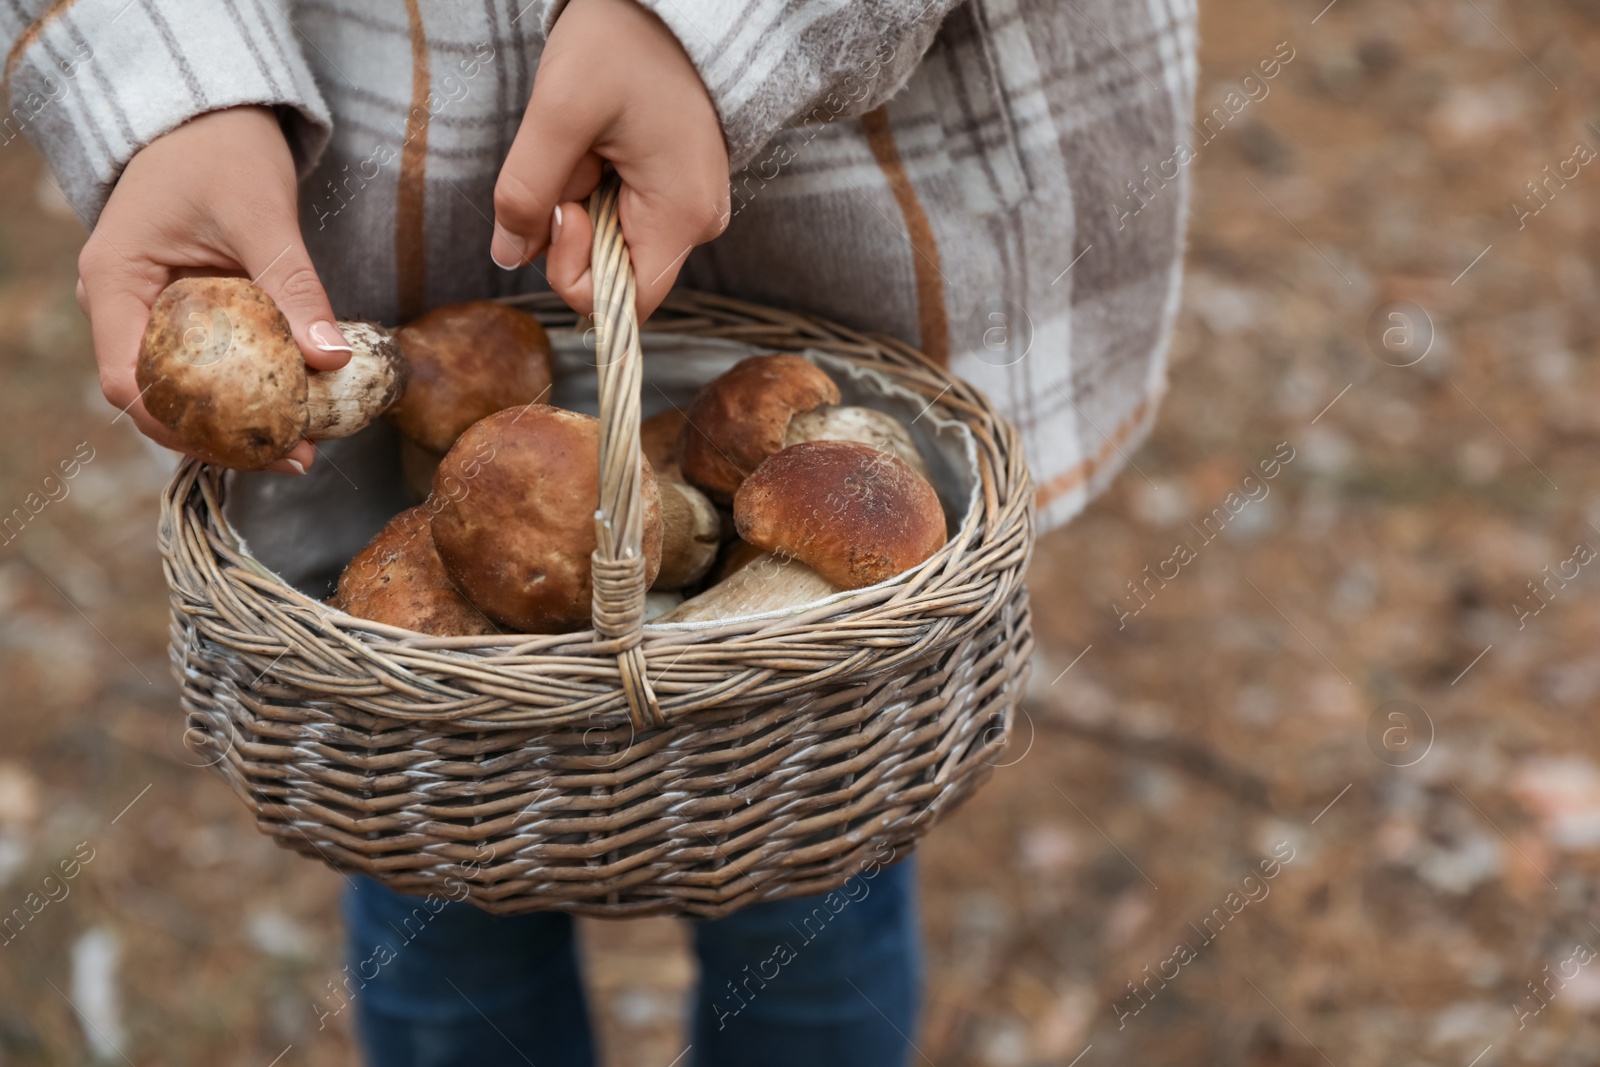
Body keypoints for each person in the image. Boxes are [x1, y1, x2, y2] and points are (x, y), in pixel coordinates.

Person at [3, 0, 1196, 1062]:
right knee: (438, 879)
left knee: (812, 871)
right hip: (358, 193)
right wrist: (176, 92)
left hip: (830, 192)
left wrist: (711, 26)